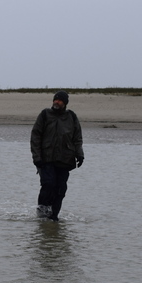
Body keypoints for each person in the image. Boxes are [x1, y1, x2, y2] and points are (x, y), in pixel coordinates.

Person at [31, 91, 84, 221]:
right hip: (46, 159)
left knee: (60, 189)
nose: (56, 102)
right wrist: (37, 158)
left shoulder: (71, 117)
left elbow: (77, 138)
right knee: (48, 184)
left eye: (60, 100)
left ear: (65, 103)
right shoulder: (45, 114)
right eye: (55, 99)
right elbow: (35, 136)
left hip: (65, 159)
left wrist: (80, 154)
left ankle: (54, 216)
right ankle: (42, 214)